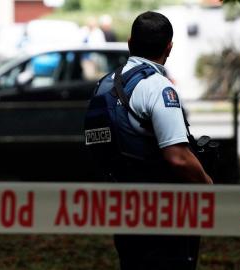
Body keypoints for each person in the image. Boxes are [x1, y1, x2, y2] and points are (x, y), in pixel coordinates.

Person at [85, 11, 213, 270]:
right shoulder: (157, 87)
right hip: (162, 211)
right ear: (170, 47)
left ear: (131, 43)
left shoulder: (105, 84)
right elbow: (177, 157)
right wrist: (207, 184)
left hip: (123, 207)